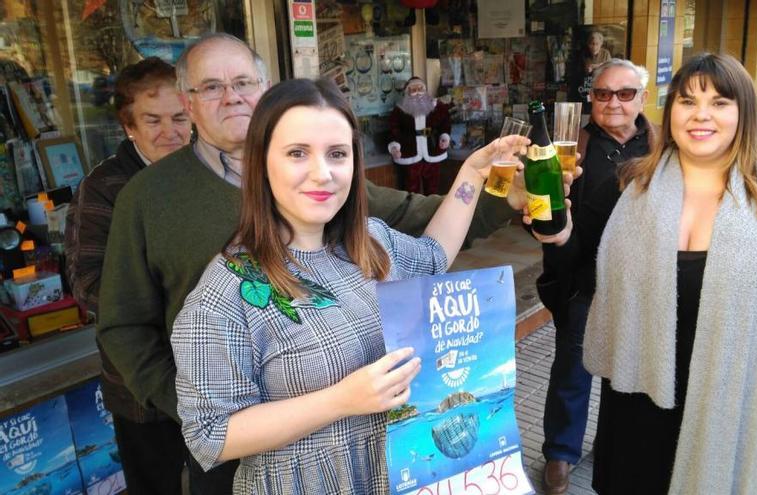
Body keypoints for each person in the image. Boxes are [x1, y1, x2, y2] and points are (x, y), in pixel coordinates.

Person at [96, 33, 524, 493]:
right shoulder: (228, 291)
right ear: (262, 164)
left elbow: (435, 253)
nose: (322, 172)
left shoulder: (369, 242)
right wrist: (341, 400)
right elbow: (211, 435)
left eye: (337, 154)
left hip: (393, 475)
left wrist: (473, 177)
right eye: (298, 153)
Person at [533, 53, 757, 494]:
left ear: (745, 113)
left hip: (735, 407)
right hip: (636, 400)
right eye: (687, 101)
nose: (701, 115)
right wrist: (554, 228)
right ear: (670, 111)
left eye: (719, 103)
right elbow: (574, 268)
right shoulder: (627, 186)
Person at [64, 57, 191, 494]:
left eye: (179, 117)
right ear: (128, 126)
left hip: (220, 375)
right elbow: (88, 283)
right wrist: (181, 301)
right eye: (152, 120)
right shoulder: (104, 188)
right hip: (144, 385)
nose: (169, 131)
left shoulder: (209, 172)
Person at [536, 58, 655, 495]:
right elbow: (546, 213)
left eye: (625, 93)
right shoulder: (573, 145)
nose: (613, 103)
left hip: (645, 283)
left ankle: (623, 450)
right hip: (586, 280)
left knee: (636, 373)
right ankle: (560, 455)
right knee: (573, 367)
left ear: (643, 98)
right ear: (591, 98)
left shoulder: (664, 145)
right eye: (603, 94)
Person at [387, 76, 451, 195]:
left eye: (420, 88)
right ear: (407, 92)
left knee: (432, 188)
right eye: (413, 89)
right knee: (410, 189)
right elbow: (393, 129)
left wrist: (444, 137)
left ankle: (432, 210)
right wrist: (395, 147)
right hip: (410, 152)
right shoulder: (400, 109)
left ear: (425, 90)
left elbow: (445, 123)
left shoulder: (437, 106)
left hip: (432, 151)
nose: (417, 92)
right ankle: (412, 211)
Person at [570, 31, 613, 115]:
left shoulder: (605, 53)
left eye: (597, 44)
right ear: (588, 44)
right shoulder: (583, 54)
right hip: (587, 87)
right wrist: (588, 69)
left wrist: (594, 66)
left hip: (602, 85)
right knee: (587, 110)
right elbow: (580, 70)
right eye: (592, 44)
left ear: (601, 44)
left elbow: (609, 67)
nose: (594, 47)